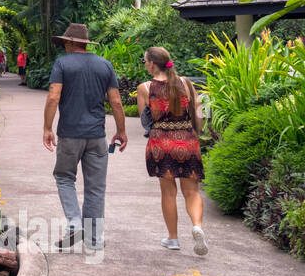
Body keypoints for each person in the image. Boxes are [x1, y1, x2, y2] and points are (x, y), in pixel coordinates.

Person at [42, 23, 127, 249]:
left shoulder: (62, 64)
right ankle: (94, 240)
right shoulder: (105, 65)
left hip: (70, 134)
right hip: (97, 136)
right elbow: (116, 102)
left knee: (64, 177)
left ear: (71, 43)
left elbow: (53, 97)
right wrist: (121, 130)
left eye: (65, 44)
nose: (64, 48)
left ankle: (74, 224)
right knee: (96, 188)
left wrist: (47, 128)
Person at [137, 46, 208, 255]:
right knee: (192, 191)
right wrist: (194, 133)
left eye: (145, 61)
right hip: (187, 140)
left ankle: (173, 238)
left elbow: (145, 120)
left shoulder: (145, 87)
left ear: (152, 63)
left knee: (168, 192)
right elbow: (199, 113)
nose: (145, 64)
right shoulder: (186, 83)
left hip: (161, 143)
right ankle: (197, 226)